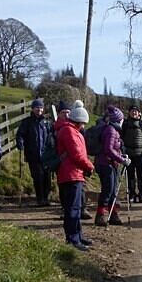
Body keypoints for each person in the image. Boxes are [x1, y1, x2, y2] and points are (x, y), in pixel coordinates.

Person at [54, 103, 95, 250]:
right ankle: (72, 239)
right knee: (72, 208)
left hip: (74, 173)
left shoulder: (70, 130)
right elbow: (76, 154)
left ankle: (78, 235)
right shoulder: (69, 131)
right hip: (70, 174)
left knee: (76, 207)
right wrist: (89, 166)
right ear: (78, 120)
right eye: (83, 123)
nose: (84, 126)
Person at [93, 106, 131, 227]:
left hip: (110, 163)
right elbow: (108, 149)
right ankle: (100, 215)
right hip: (105, 164)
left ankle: (113, 214)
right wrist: (121, 159)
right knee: (108, 190)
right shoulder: (111, 130)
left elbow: (112, 149)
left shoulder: (114, 130)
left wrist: (121, 155)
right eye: (122, 119)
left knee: (113, 190)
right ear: (118, 120)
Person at [16, 98, 52, 206]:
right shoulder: (27, 122)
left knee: (47, 177)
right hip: (33, 154)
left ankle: (47, 198)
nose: (39, 110)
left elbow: (50, 136)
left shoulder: (46, 122)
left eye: (41, 108)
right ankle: (40, 198)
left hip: (46, 155)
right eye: (37, 107)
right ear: (33, 109)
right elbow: (20, 134)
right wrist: (20, 143)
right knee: (38, 176)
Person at [122, 105, 142, 203]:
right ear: (129, 112)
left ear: (139, 113)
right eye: (132, 111)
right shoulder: (125, 124)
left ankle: (141, 194)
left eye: (135, 111)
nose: (134, 113)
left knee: (141, 175)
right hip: (129, 153)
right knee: (130, 175)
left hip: (140, 154)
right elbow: (122, 136)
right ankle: (132, 194)